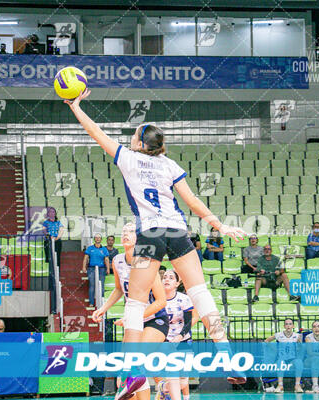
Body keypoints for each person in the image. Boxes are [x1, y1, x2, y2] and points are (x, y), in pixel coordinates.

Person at [65, 89, 247, 399]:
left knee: (135, 302)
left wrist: (75, 106)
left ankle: (133, 374)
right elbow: (191, 201)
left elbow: (95, 132)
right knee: (201, 293)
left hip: (149, 234)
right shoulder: (169, 165)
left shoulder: (128, 158)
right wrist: (220, 225)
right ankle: (228, 356)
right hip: (177, 231)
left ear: (138, 143)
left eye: (134, 135)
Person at [92, 223, 168, 400]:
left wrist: (132, 317)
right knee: (124, 377)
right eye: (123, 231)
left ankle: (163, 385)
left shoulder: (147, 263)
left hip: (155, 319)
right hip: (133, 322)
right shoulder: (117, 260)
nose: (125, 234)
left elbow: (161, 301)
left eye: (131, 231)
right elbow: (119, 289)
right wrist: (103, 308)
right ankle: (162, 387)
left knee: (137, 361)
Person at [155, 270, 199, 400]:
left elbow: (189, 321)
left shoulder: (184, 299)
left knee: (184, 381)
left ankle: (163, 388)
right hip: (165, 341)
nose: (167, 279)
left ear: (177, 283)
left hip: (183, 340)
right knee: (171, 374)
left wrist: (180, 336)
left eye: (171, 278)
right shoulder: (155, 299)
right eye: (164, 277)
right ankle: (170, 393)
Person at [265, 319, 303, 393]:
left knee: (299, 362)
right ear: (284, 326)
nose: (288, 325)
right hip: (282, 359)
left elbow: (300, 348)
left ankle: (297, 385)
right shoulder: (279, 335)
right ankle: (280, 385)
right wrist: (274, 349)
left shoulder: (297, 336)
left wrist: (299, 343)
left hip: (292, 359)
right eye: (286, 324)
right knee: (280, 363)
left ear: (293, 326)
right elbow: (267, 341)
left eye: (290, 324)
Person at [81, 234, 110, 308]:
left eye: (99, 238)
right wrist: (84, 267)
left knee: (101, 285)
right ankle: (91, 302)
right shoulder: (90, 248)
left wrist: (108, 268)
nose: (97, 239)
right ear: (94, 239)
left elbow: (106, 259)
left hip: (101, 269)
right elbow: (85, 258)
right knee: (92, 285)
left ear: (101, 239)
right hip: (91, 269)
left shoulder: (104, 249)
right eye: (96, 238)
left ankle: (101, 302)